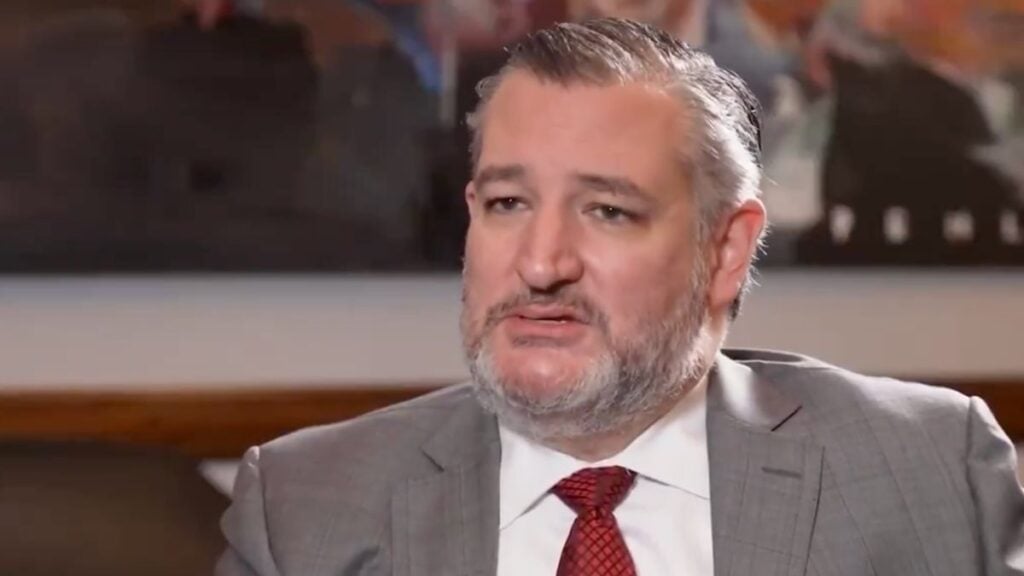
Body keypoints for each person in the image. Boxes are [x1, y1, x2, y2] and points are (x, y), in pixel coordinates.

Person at [217, 18, 1024, 576]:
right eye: (507, 203)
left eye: (607, 210)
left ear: (725, 251)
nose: (540, 264)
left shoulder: (927, 470)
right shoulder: (306, 507)